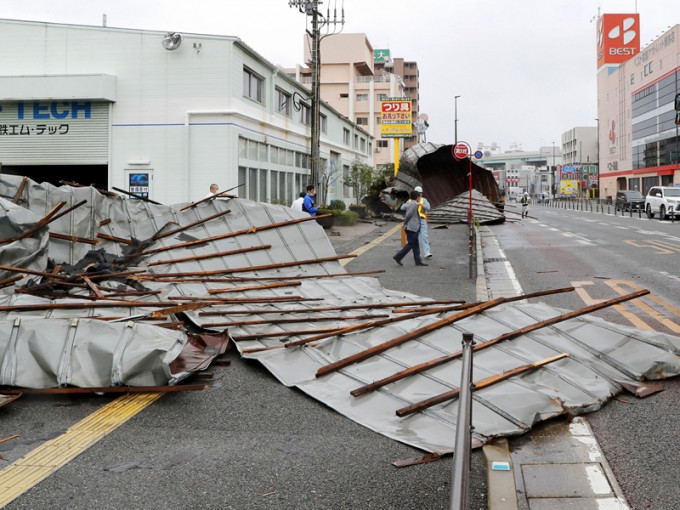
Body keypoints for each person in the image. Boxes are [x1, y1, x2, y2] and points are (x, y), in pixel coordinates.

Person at [393, 190, 428, 267]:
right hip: (411, 227)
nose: (420, 198)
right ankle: (398, 256)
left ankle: (418, 261)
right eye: (419, 196)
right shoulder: (414, 204)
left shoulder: (412, 203)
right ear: (417, 197)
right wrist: (405, 223)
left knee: (415, 244)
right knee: (411, 244)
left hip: (413, 227)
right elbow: (408, 215)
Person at [414, 186, 432, 258]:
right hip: (414, 221)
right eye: (418, 193)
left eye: (420, 193)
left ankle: (427, 252)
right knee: (415, 238)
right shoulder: (411, 201)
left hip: (422, 221)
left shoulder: (424, 200)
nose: (419, 194)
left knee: (424, 236)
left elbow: (428, 208)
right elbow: (403, 207)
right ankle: (416, 253)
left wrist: (421, 204)